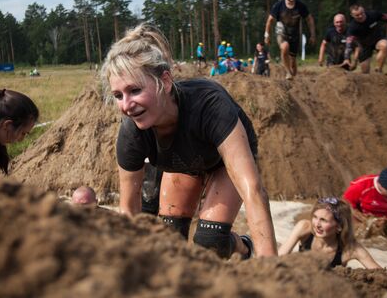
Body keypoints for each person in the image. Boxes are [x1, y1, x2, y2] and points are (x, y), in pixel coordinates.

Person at [101, 24, 277, 260]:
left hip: (221, 159)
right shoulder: (131, 132)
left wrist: (271, 268)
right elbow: (129, 211)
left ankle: (243, 246)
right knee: (169, 239)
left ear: (164, 81)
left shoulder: (209, 106)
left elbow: (253, 192)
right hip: (184, 162)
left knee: (210, 241)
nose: (126, 105)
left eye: (134, 90)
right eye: (118, 96)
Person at [279, 197, 381, 269]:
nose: (316, 224)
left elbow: (380, 274)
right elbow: (278, 257)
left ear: (339, 226)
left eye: (323, 220)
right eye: (315, 217)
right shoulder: (304, 228)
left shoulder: (351, 248)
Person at [264, 0, 316, 80]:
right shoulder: (278, 6)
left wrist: (313, 34)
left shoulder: (301, 6)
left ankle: (293, 78)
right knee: (284, 47)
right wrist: (267, 35)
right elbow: (270, 20)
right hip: (282, 31)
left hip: (294, 35)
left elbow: (309, 19)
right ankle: (287, 72)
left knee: (293, 65)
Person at [342, 4, 387, 74]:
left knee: (384, 45)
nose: (360, 16)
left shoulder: (373, 14)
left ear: (364, 10)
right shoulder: (352, 27)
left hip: (378, 40)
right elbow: (348, 44)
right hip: (364, 46)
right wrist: (346, 58)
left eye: (362, 13)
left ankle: (379, 70)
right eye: (357, 15)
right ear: (352, 15)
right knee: (365, 72)